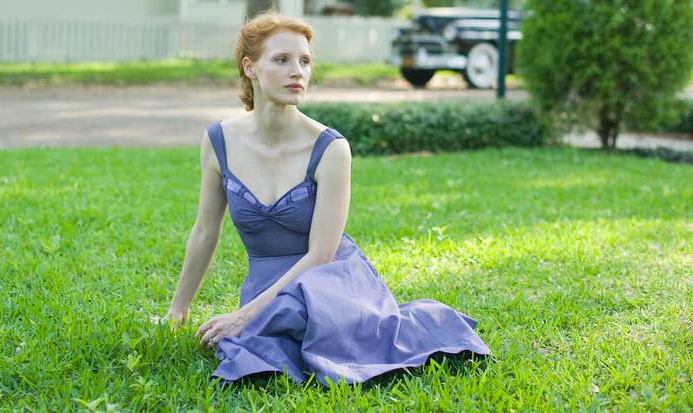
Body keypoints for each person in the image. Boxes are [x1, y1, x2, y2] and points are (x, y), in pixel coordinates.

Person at [161, 11, 491, 386]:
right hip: (267, 282)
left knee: (275, 336)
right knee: (260, 346)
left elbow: (321, 255)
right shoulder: (218, 141)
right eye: (282, 60)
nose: (297, 71)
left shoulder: (331, 148)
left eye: (304, 61)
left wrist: (244, 316)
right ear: (250, 67)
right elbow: (205, 231)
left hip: (326, 277)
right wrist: (178, 310)